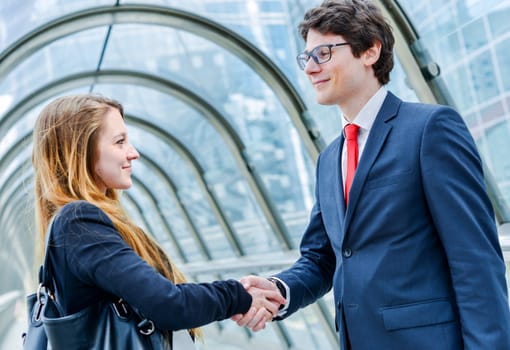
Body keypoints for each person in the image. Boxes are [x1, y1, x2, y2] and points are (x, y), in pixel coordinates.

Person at [233, 0, 510, 348]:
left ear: (370, 52)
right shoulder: (330, 157)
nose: (311, 68)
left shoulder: (429, 129)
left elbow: (475, 258)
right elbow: (323, 258)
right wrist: (279, 290)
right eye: (307, 58)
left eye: (324, 53)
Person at [31, 94, 285, 347]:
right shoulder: (79, 222)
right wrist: (238, 296)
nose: (133, 153)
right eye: (119, 142)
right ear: (80, 152)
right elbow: (169, 304)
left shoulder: (77, 223)